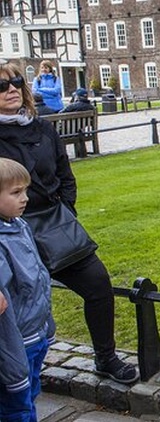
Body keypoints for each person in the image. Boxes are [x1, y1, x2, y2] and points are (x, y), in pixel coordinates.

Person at [0, 63, 139, 386]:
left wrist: (65, 212)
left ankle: (105, 357)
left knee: (98, 283)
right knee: (17, 307)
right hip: (8, 234)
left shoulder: (43, 129)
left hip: (53, 224)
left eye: (16, 82)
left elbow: (65, 176)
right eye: (1, 86)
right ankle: (19, 373)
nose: (11, 90)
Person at [0, 157, 55, 422]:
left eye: (25, 191)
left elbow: (38, 277)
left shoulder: (18, 225)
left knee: (31, 392)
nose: (25, 199)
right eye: (15, 193)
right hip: (15, 341)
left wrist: (47, 325)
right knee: (15, 405)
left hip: (34, 332)